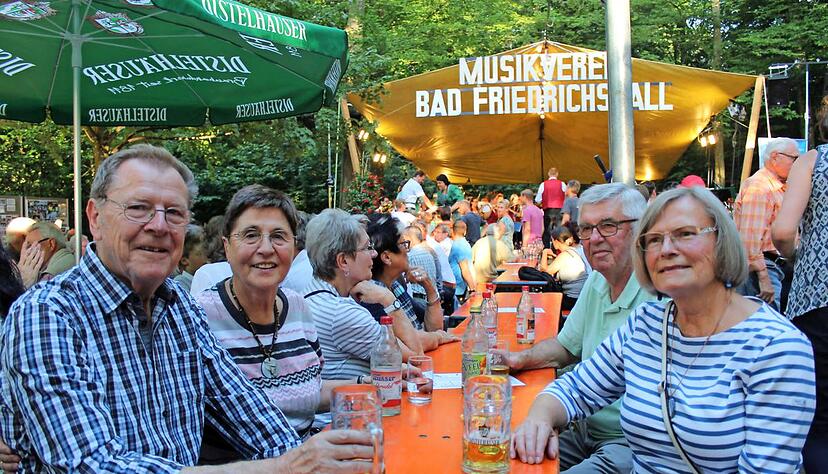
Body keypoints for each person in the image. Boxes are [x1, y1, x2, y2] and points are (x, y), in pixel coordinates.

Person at [0, 144, 374, 472]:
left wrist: (309, 462)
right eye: (139, 208)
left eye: (174, 214)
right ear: (95, 218)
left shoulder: (180, 310)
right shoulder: (47, 314)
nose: (159, 226)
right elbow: (91, 464)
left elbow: (246, 408)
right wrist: (287, 467)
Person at [512, 185, 816, 473]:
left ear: (722, 241)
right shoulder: (648, 323)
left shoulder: (776, 348)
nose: (666, 249)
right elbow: (577, 388)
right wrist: (539, 418)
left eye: (685, 234)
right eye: (654, 240)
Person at [196, 186, 365, 464]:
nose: (265, 249)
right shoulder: (200, 316)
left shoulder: (298, 306)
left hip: (313, 459)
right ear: (227, 247)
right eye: (250, 235)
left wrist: (365, 384)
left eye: (278, 236)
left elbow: (309, 388)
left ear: (294, 247)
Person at [496, 183, 650, 473]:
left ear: (640, 230)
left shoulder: (660, 298)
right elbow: (567, 348)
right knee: (501, 460)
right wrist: (520, 359)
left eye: (608, 226)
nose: (594, 239)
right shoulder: (597, 281)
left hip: (630, 443)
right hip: (581, 427)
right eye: (587, 229)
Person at [303, 209, 423, 382]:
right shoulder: (341, 313)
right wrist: (388, 299)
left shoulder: (314, 296)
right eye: (367, 248)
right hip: (355, 406)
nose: (374, 254)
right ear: (343, 261)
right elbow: (416, 357)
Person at [772, 110, 828, 472]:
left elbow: (782, 232)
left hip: (818, 298)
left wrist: (799, 257)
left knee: (819, 418)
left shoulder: (813, 161)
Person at [360, 215, 457, 349]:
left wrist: (428, 286)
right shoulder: (372, 296)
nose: (408, 250)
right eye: (403, 244)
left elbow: (434, 328)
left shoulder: (395, 286)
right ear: (387, 257)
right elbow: (411, 342)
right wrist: (439, 337)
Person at [733, 137, 799, 310]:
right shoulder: (760, 187)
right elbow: (750, 238)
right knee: (767, 323)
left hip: (775, 267)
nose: (797, 163)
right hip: (764, 269)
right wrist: (763, 277)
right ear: (775, 157)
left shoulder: (776, 186)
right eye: (794, 158)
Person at [540, 226, 591, 313]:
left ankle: (552, 324)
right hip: (586, 297)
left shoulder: (565, 255)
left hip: (573, 300)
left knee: (543, 301)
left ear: (555, 242)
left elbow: (545, 272)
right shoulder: (581, 249)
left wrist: (545, 253)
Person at [20, 221, 75, 286]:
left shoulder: (50, 275)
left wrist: (25, 284)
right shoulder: (67, 258)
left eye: (30, 246)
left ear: (51, 244)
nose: (27, 252)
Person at [402, 225, 441, 307]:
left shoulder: (409, 256)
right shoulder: (428, 253)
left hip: (418, 299)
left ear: (409, 238)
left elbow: (404, 279)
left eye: (404, 238)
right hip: (432, 298)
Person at [536, 167, 567, 248]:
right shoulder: (562, 184)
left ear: (548, 174)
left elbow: (538, 200)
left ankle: (546, 249)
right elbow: (567, 197)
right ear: (557, 174)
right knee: (559, 231)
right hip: (560, 211)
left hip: (548, 210)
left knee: (547, 231)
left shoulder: (543, 184)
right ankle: (559, 249)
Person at [174, 224, 208, 292]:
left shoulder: (206, 278)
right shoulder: (180, 282)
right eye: (200, 254)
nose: (206, 258)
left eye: (206, 252)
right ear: (184, 260)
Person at [448, 220, 475, 300]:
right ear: (465, 231)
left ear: (452, 230)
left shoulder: (458, 246)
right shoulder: (465, 244)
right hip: (461, 287)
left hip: (458, 289)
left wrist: (472, 289)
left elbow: (465, 269)